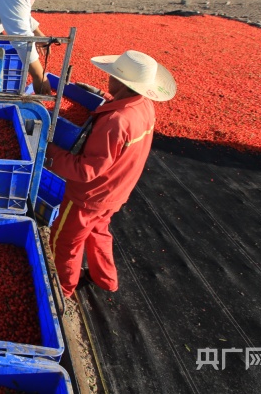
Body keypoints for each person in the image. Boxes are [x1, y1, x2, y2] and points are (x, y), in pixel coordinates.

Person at [44, 50, 176, 298]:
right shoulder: (144, 106)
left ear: (122, 82)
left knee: (65, 242)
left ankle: (62, 290)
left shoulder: (114, 121)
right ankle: (105, 278)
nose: (109, 79)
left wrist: (46, 150)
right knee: (98, 230)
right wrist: (101, 96)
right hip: (116, 190)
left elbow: (85, 170)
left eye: (112, 76)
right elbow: (122, 112)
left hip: (88, 196)